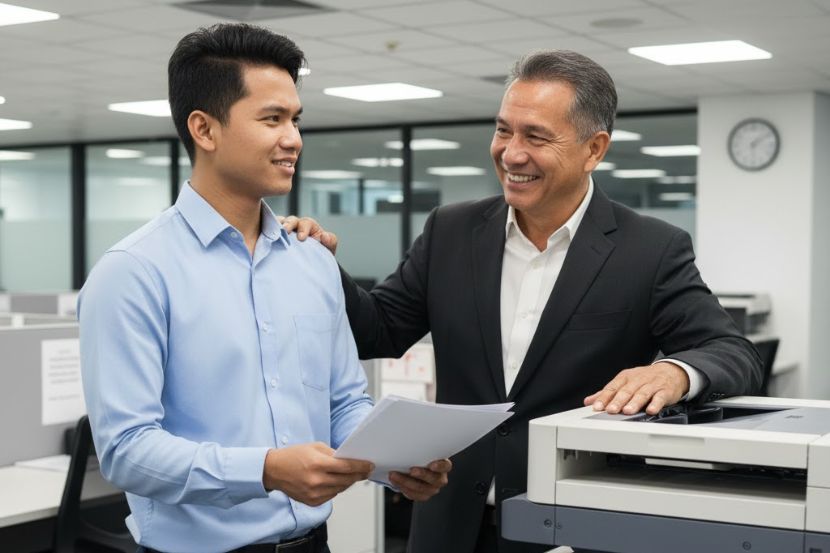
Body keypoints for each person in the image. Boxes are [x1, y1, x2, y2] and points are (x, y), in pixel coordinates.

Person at [287, 50, 762, 553]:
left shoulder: (649, 248)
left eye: (536, 137)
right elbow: (378, 328)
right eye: (503, 131)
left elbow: (734, 352)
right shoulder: (452, 229)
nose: (511, 153)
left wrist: (674, 372)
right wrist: (319, 264)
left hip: (570, 526)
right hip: (447, 522)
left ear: (593, 149)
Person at [78, 23, 450, 553]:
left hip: (314, 543)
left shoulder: (312, 262)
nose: (293, 138)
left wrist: (396, 463)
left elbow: (344, 403)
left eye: (295, 120)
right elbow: (126, 450)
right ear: (205, 130)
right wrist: (266, 470)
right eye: (272, 119)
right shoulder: (134, 272)